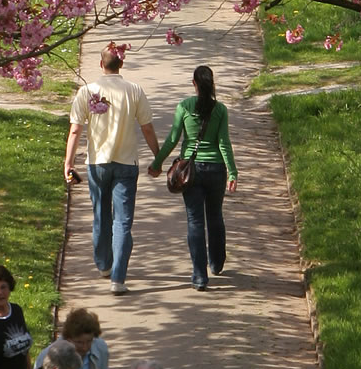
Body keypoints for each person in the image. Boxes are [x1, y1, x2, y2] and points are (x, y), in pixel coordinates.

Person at [64, 42, 161, 294]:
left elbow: (75, 129)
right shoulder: (134, 90)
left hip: (98, 163)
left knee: (101, 215)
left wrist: (68, 162)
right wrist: (158, 157)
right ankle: (118, 278)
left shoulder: (87, 91)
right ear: (122, 63)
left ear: (100, 64)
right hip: (127, 163)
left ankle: (104, 264)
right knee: (123, 222)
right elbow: (147, 128)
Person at [148, 64, 238, 290]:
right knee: (215, 216)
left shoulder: (184, 107)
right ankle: (216, 263)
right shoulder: (220, 110)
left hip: (191, 172)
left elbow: (172, 139)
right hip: (216, 169)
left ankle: (199, 276)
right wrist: (233, 172)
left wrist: (157, 163)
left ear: (194, 84)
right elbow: (223, 143)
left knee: (195, 221)